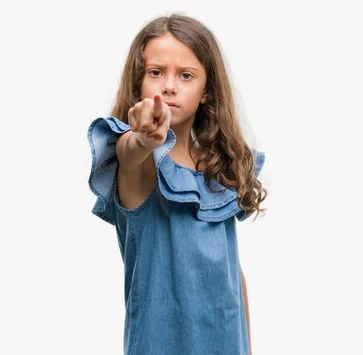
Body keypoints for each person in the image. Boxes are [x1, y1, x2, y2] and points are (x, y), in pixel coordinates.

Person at [86, 13, 267, 355]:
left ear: (205, 92)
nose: (169, 85)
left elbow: (231, 271)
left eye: (185, 75)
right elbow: (130, 151)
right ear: (138, 82)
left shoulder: (217, 171)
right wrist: (143, 137)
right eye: (156, 72)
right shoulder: (140, 165)